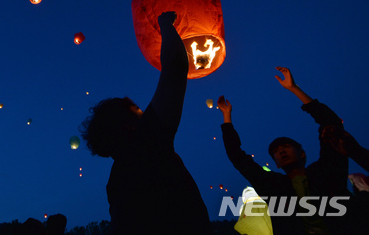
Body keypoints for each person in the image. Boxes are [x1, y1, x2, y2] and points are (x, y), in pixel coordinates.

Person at [79, 12, 213, 234]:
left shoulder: (115, 181)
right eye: (138, 111)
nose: (146, 113)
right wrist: (165, 24)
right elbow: (176, 67)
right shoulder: (147, 142)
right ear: (128, 124)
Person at [217, 67, 352, 235]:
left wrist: (294, 89)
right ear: (276, 164)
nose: (281, 151)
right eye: (276, 150)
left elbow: (331, 125)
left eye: (286, 146)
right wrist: (226, 116)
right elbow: (237, 157)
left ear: (302, 153)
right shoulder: (274, 186)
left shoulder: (326, 172)